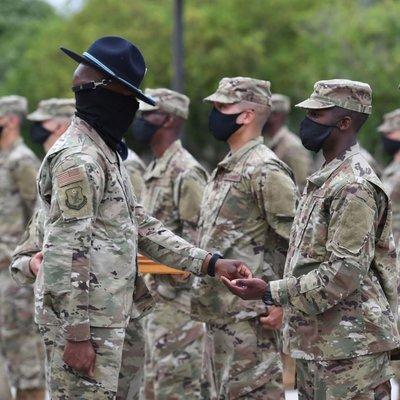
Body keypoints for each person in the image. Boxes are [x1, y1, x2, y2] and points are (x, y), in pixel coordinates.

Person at [12, 36, 250, 399]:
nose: (133, 110)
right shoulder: (81, 158)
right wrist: (77, 336)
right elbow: (68, 249)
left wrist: (210, 263)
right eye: (130, 99)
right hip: (87, 327)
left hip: (115, 319)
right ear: (106, 95)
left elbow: (141, 225)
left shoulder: (103, 152)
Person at [222, 79, 400, 400]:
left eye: (318, 115)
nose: (307, 122)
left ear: (345, 122)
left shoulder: (353, 185)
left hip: (349, 351)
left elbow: (341, 274)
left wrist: (271, 292)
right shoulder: (327, 177)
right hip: (320, 345)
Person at [191, 77, 298, 399]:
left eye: (223, 107)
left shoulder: (266, 169)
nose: (215, 113)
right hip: (220, 312)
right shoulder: (228, 167)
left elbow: (296, 242)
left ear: (248, 114)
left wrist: (280, 302)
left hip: (250, 318)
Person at [133, 88, 208, 399]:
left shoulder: (186, 172)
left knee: (176, 390)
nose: (138, 120)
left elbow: (198, 245)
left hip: (180, 311)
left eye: (146, 114)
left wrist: (141, 261)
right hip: (156, 307)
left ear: (168, 119)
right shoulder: (155, 167)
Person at [0, 95, 45, 400]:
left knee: (25, 354)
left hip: (14, 275)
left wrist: (24, 257)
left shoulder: (22, 160)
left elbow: (39, 212)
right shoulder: (4, 159)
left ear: (12, 120)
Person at [263, 93, 311, 190]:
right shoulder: (267, 142)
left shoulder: (292, 146)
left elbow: (301, 186)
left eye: (266, 113)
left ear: (277, 116)